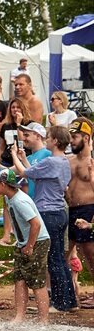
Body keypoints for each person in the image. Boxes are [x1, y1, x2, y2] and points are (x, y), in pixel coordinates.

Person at [11, 123, 77, 312]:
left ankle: (59, 302)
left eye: (48, 138)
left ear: (55, 141)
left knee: (53, 259)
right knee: (59, 258)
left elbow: (24, 173)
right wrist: (25, 159)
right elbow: (36, 175)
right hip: (59, 212)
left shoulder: (50, 162)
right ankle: (69, 300)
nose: (46, 140)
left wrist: (15, 154)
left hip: (48, 212)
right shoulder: (63, 161)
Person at [0, 168, 50, 323]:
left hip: (37, 241)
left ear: (3, 184)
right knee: (20, 279)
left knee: (37, 282)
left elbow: (35, 224)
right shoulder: (9, 198)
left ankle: (43, 320)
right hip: (24, 242)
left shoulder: (20, 201)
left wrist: (30, 246)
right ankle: (19, 317)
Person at [67, 119, 94, 302]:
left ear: (86, 137)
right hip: (70, 211)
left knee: (91, 255)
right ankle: (69, 293)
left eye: (75, 137)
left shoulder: (92, 162)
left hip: (88, 209)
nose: (71, 141)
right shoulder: (68, 161)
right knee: (63, 254)